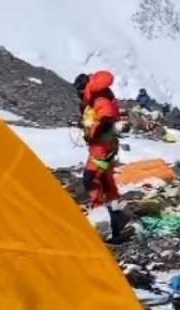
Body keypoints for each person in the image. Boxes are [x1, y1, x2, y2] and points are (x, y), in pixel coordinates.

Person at [77, 70, 129, 242]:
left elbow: (105, 116)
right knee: (106, 181)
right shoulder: (100, 95)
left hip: (101, 146)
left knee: (91, 179)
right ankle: (118, 219)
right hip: (106, 145)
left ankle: (102, 221)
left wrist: (94, 132)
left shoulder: (99, 97)